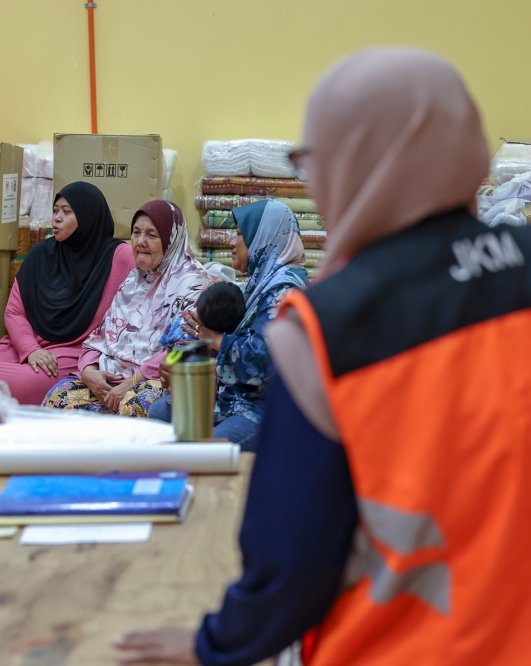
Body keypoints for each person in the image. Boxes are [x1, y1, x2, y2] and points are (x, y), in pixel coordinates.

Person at [116, 48, 525, 666]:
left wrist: (214, 645)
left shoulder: (327, 328)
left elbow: (291, 559)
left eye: (315, 162)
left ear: (354, 165)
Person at [0, 182, 135, 432]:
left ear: (88, 216)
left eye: (67, 212)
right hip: (26, 345)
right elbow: (15, 311)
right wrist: (30, 348)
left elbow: (161, 270)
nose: (57, 218)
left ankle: (20, 459)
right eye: (55, 210)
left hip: (74, 350)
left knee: (21, 384)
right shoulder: (41, 254)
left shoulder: (119, 256)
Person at [147, 200, 307, 451]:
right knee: (159, 413)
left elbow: (265, 359)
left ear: (263, 237)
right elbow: (212, 333)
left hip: (261, 409)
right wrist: (178, 359)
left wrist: (213, 339)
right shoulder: (256, 286)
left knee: (205, 451)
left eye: (241, 235)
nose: (232, 242)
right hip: (231, 399)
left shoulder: (285, 292)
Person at [43, 200, 210, 415]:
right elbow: (101, 335)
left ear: (171, 239)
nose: (140, 241)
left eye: (151, 235)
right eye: (136, 232)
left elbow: (183, 349)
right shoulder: (135, 280)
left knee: (132, 408)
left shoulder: (193, 283)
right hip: (113, 375)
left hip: (160, 378)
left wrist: (132, 382)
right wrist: (88, 371)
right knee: (57, 399)